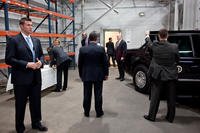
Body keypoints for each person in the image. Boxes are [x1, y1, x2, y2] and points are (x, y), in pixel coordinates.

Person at [5, 17, 48, 133]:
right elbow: (9, 59)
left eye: (31, 25)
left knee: (36, 102)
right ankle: (20, 127)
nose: (31, 27)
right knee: (20, 104)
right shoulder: (13, 41)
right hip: (21, 79)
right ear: (21, 26)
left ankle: (36, 122)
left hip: (35, 77)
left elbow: (42, 55)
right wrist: (26, 64)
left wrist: (41, 62)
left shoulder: (36, 41)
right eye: (28, 25)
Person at [144, 28, 179, 123]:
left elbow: (149, 44)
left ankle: (152, 117)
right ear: (167, 36)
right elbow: (177, 60)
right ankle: (170, 118)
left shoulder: (155, 45)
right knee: (171, 98)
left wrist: (147, 35)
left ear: (159, 36)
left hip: (158, 75)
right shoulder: (174, 47)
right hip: (171, 75)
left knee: (155, 97)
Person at [78, 31, 109, 118]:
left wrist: (81, 74)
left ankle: (86, 112)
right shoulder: (101, 49)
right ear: (96, 39)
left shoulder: (83, 49)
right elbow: (105, 63)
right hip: (98, 75)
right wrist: (106, 74)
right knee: (98, 94)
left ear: (89, 38)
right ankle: (99, 112)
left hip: (86, 75)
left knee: (87, 94)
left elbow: (80, 64)